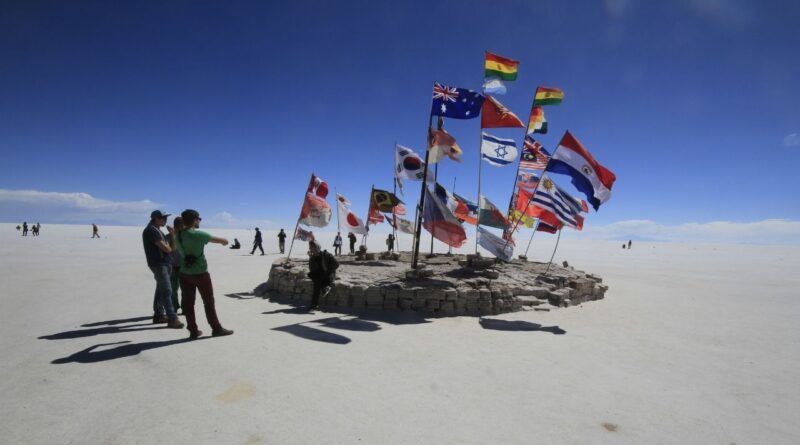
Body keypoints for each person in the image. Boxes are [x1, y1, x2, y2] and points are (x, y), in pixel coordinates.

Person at [176, 209, 233, 338]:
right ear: (195, 220)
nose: (199, 221)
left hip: (185, 273)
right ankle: (216, 328)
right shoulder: (199, 235)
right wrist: (225, 241)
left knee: (189, 304)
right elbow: (223, 241)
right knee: (208, 302)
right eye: (199, 219)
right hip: (201, 273)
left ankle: (193, 331)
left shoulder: (178, 235)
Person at [142, 210, 184, 329]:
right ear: (156, 218)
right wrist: (171, 237)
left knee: (161, 288)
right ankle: (172, 318)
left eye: (165, 217)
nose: (165, 220)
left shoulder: (157, 230)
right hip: (159, 264)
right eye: (163, 218)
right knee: (167, 289)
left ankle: (159, 314)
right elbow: (167, 249)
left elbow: (173, 248)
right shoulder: (151, 231)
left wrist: (172, 236)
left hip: (164, 263)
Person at [306, 240, 338, 312]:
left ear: (317, 247)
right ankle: (325, 288)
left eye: (312, 247)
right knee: (313, 276)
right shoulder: (314, 257)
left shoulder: (326, 255)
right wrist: (311, 258)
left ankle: (314, 304)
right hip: (320, 275)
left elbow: (336, 264)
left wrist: (328, 271)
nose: (310, 249)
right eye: (310, 247)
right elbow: (312, 269)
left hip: (329, 275)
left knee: (317, 283)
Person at [166, 216, 184, 313]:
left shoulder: (185, 237)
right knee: (173, 290)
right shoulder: (168, 237)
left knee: (184, 290)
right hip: (173, 267)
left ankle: (184, 308)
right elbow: (169, 250)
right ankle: (175, 307)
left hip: (183, 267)